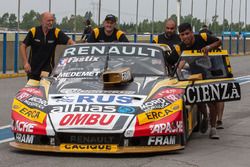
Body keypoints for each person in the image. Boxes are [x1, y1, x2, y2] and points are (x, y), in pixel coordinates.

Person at [176, 23, 222, 139]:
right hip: (195, 76)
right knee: (199, 101)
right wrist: (177, 70)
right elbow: (182, 60)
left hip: (209, 74)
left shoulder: (203, 37)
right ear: (180, 36)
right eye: (182, 35)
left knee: (211, 102)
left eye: (187, 33)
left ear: (192, 32)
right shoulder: (181, 46)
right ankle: (205, 117)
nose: (185, 36)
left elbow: (219, 42)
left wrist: (208, 47)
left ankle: (213, 128)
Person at [20, 12, 75, 81]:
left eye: (52, 20)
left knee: (44, 89)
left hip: (47, 70)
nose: (51, 22)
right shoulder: (34, 31)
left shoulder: (56, 32)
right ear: (42, 21)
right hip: (33, 70)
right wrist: (25, 63)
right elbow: (23, 46)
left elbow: (71, 42)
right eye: (48, 20)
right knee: (32, 91)